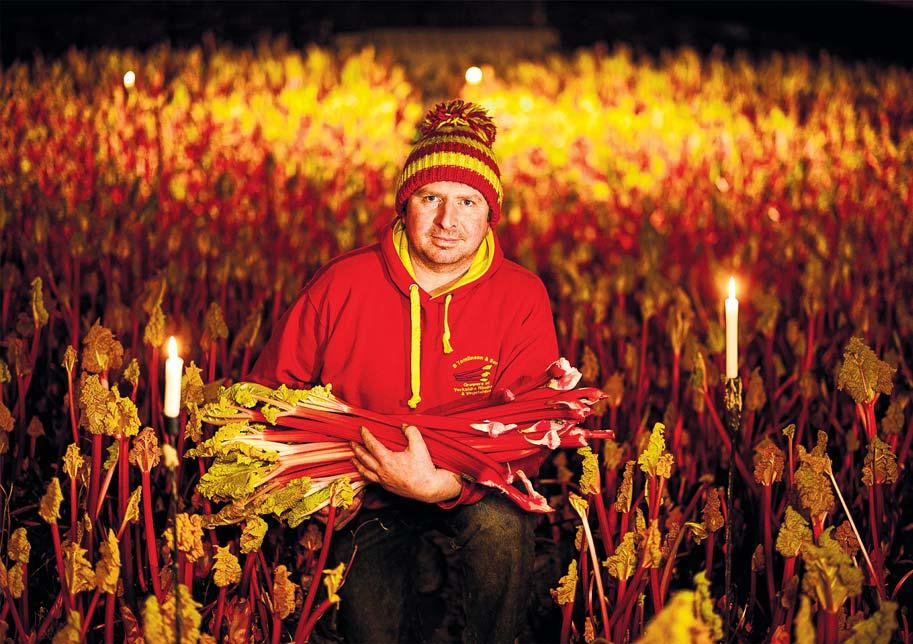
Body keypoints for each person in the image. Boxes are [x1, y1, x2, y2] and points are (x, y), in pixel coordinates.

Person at [249, 99, 559, 643]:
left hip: (470, 483)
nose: (448, 221)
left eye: (468, 201)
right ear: (403, 205)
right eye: (430, 198)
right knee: (371, 624)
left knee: (503, 530)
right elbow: (271, 394)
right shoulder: (341, 284)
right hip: (363, 488)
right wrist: (315, 487)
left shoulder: (522, 294)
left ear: (490, 213)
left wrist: (443, 485)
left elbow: (530, 430)